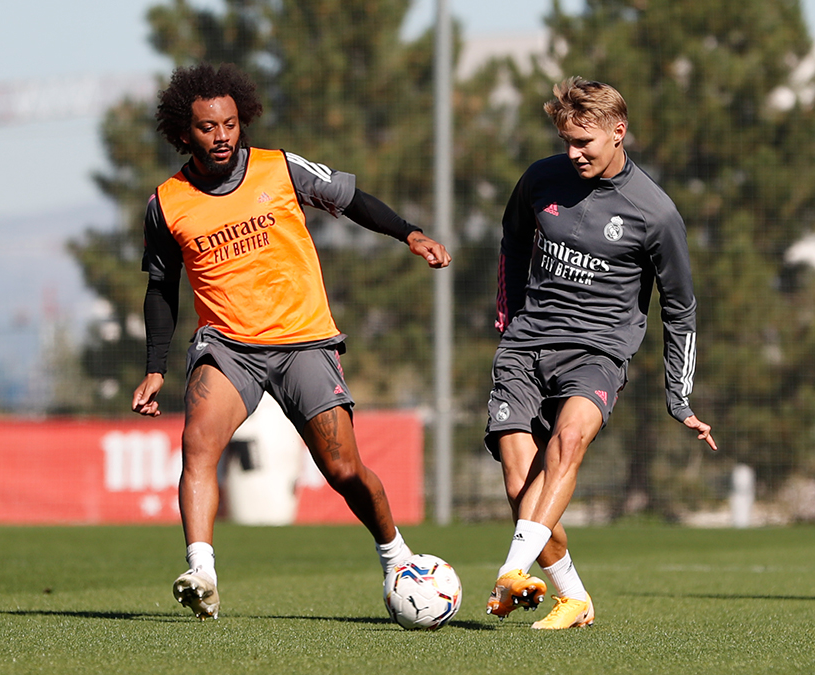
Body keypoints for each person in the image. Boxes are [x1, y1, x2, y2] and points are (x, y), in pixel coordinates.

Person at [131, 63, 451, 620]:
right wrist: (156, 366)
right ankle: (201, 571)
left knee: (344, 470)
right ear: (184, 133)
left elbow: (352, 200)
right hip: (228, 346)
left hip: (304, 341)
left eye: (230, 122)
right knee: (198, 443)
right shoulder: (167, 203)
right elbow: (161, 288)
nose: (223, 135)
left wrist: (410, 233)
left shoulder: (280, 169)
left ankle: (396, 555)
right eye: (208, 127)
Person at [485, 77, 717, 630]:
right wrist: (510, 314)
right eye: (566, 140)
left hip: (597, 352)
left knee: (567, 444)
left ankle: (510, 571)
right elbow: (513, 240)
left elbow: (680, 305)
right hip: (526, 345)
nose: (573, 153)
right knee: (522, 488)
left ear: (619, 132)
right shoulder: (540, 179)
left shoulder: (655, 212)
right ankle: (575, 598)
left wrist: (678, 396)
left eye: (584, 142)